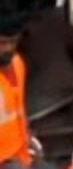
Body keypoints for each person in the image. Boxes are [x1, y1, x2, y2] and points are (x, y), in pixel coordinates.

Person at [0, 11, 31, 168]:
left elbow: (19, 110)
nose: (8, 48)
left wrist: (29, 139)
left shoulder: (18, 63)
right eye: (2, 42)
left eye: (13, 42)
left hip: (21, 153)